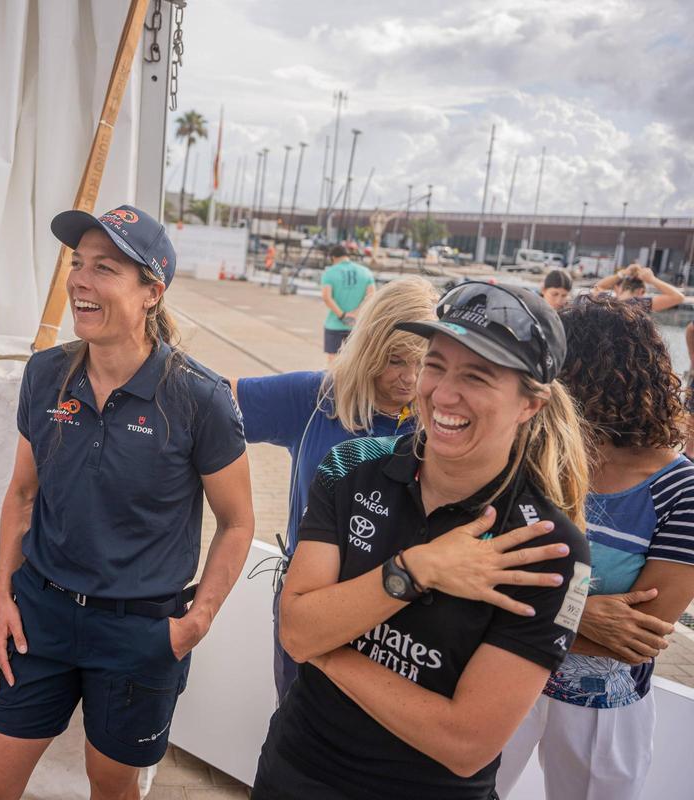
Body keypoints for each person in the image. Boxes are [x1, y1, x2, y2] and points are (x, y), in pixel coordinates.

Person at [253, 281, 592, 800]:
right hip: (296, 773)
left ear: (530, 403)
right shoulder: (349, 468)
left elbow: (464, 742)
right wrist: (415, 569)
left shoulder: (548, 548)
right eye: (436, 365)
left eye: (476, 375)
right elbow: (296, 628)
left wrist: (326, 649)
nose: (443, 393)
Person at [0, 205, 254, 800]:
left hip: (139, 631)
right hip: (37, 617)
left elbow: (238, 522)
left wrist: (195, 624)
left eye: (105, 268)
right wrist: (1, 600)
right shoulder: (46, 375)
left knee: (112, 790)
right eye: (78, 263)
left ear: (153, 291)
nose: (79, 280)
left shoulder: (199, 397)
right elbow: (21, 496)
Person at [498, 296, 694, 800]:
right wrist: (581, 614)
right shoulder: (534, 457)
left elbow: (637, 637)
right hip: (498, 678)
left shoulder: (681, 490)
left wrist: (516, 607)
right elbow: (475, 573)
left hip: (601, 708)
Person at [231, 276, 438, 697]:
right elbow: (210, 404)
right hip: (309, 604)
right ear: (370, 349)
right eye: (397, 360)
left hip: (399, 616)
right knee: (296, 723)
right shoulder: (316, 398)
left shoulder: (438, 421)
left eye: (425, 365)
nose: (410, 380)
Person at [320, 244, 375, 360]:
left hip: (335, 324)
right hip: (358, 324)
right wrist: (355, 314)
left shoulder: (330, 273)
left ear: (333, 258)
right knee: (355, 360)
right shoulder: (366, 272)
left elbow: (326, 297)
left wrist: (343, 316)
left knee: (333, 360)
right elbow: (371, 296)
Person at [593, 263, 685, 312]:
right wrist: (652, 279)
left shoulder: (606, 300)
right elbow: (679, 297)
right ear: (641, 291)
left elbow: (599, 286)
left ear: (618, 287)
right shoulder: (640, 304)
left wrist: (622, 273)